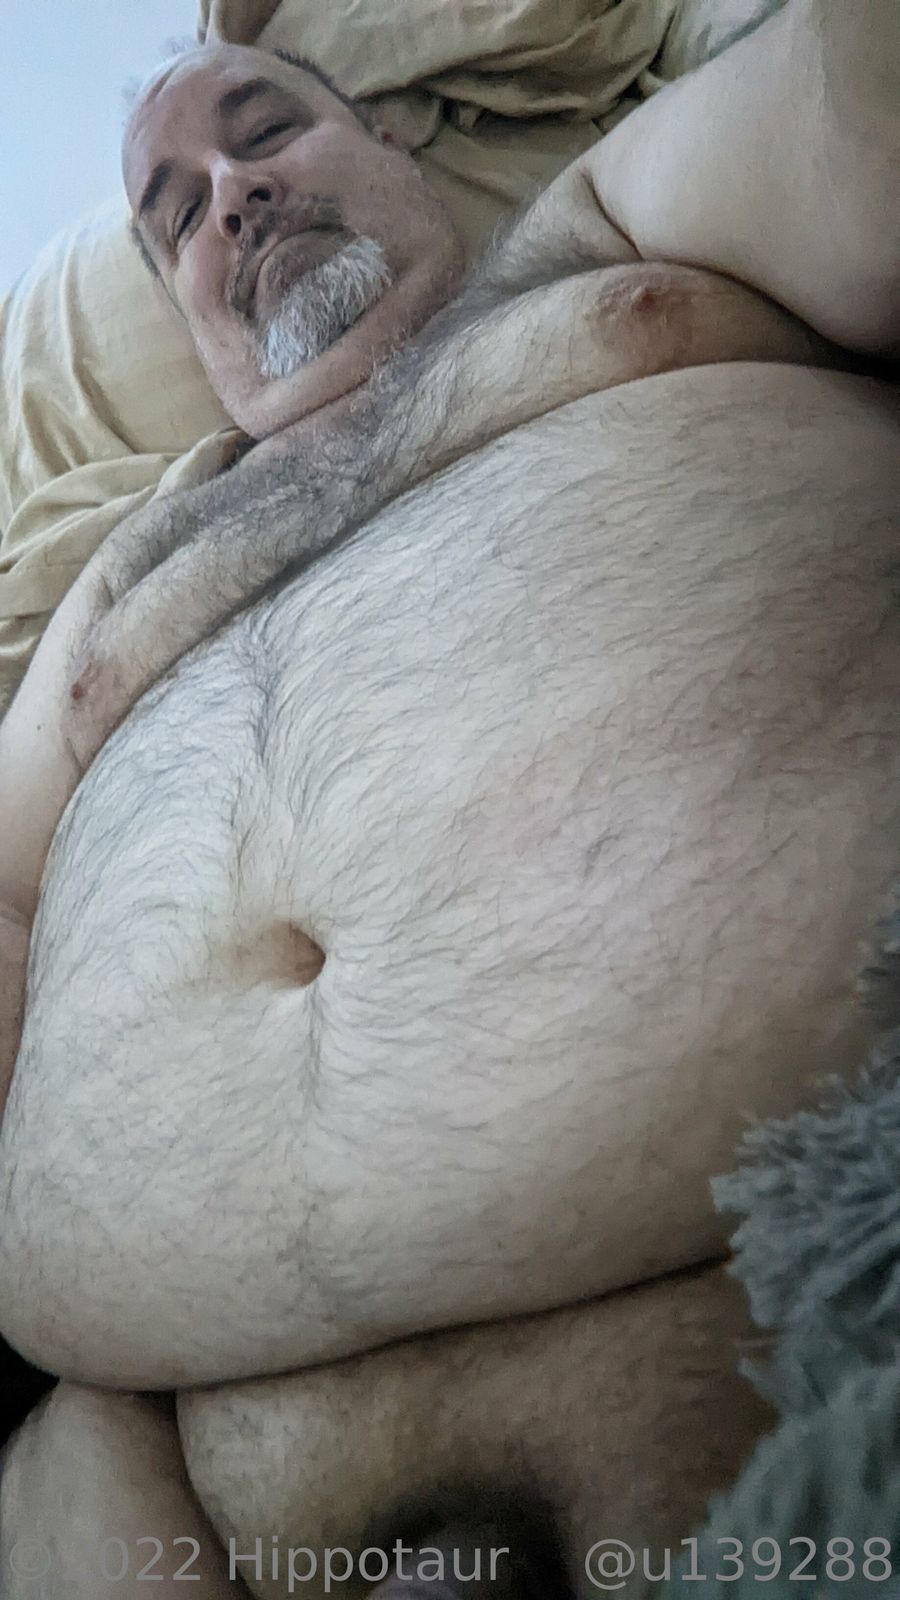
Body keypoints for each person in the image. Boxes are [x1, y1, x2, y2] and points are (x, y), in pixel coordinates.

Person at [0, 2, 898, 1593]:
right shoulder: (124, 570)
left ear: (394, 139)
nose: (233, 197)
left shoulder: (611, 237)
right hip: (162, 1468)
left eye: (267, 131)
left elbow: (855, 105)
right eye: (176, 213)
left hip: (779, 1296)